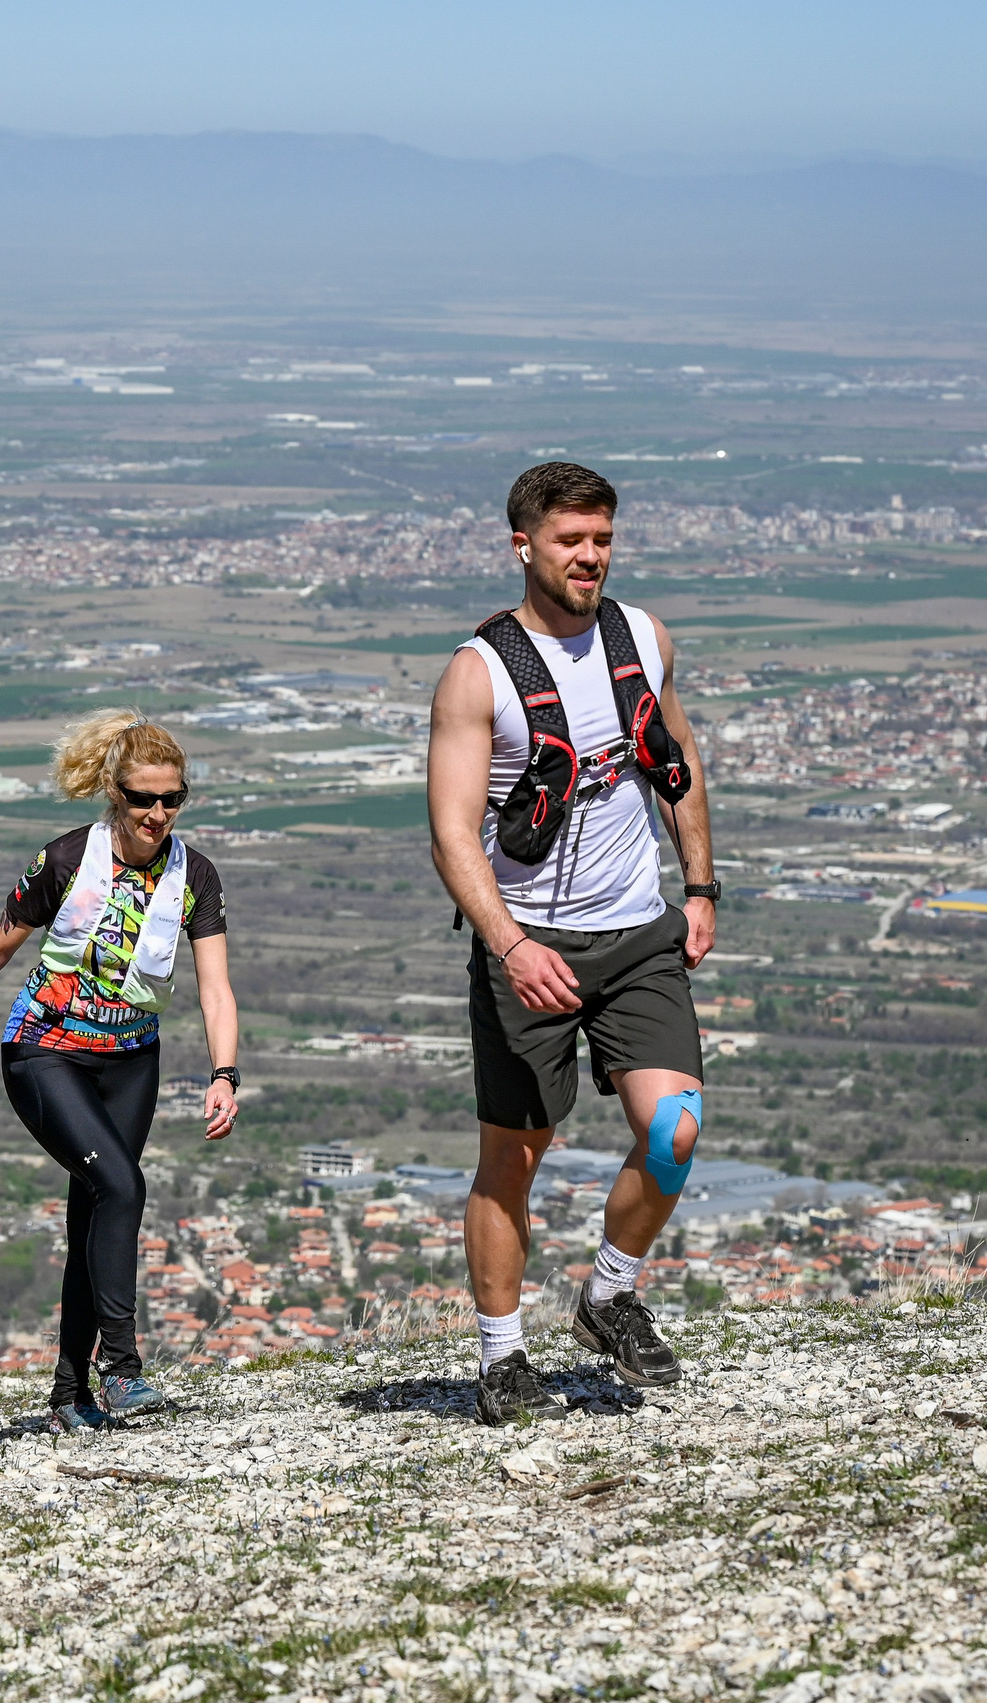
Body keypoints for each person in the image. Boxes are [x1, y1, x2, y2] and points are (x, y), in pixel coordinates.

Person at [427, 462, 720, 1424]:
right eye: (570, 540)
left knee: (673, 1128)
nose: (590, 556)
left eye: (602, 539)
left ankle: (609, 1293)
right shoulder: (480, 674)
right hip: (532, 943)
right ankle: (503, 1356)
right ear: (524, 544)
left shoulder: (644, 638)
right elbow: (452, 832)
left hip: (637, 929)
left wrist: (701, 885)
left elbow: (675, 763)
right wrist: (510, 946)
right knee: (514, 1156)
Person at [0, 709, 240, 1432]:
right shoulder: (63, 859)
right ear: (113, 793)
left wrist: (224, 1071)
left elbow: (214, 984)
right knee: (122, 1183)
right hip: (44, 1050)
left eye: (172, 798)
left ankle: (68, 1395)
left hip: (132, 1060)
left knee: (98, 1207)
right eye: (143, 798)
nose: (158, 813)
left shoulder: (196, 875)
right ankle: (120, 1367)